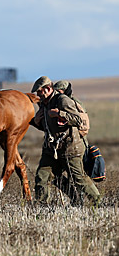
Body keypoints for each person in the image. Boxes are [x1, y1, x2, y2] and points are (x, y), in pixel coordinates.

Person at [30, 76, 100, 206]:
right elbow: (47, 127)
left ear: (48, 88)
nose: (38, 95)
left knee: (78, 178)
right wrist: (36, 121)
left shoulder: (62, 100)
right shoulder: (44, 104)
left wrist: (59, 114)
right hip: (51, 149)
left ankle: (97, 202)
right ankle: (41, 206)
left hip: (70, 148)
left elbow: (77, 120)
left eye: (40, 91)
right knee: (42, 176)